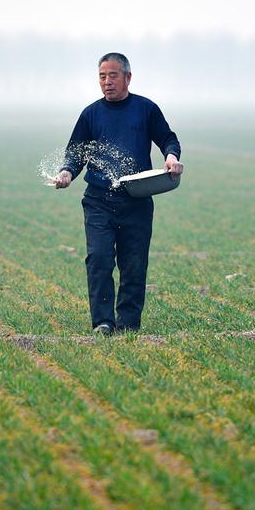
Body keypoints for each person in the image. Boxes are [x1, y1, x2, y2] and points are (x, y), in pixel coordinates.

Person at [54, 52, 183, 335]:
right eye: (102, 76)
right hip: (98, 200)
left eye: (113, 75)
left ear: (128, 77)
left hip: (136, 200)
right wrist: (66, 172)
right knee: (99, 259)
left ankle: (128, 326)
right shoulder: (90, 114)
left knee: (134, 265)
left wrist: (171, 157)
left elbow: (168, 139)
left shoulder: (146, 109)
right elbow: (75, 153)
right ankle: (103, 322)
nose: (107, 82)